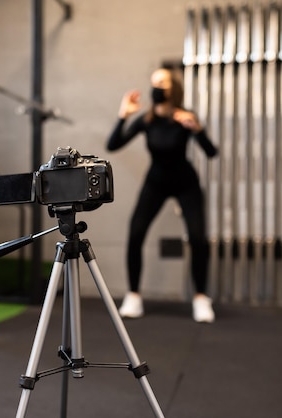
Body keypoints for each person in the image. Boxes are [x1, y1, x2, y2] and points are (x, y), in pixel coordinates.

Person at [106, 68, 218, 323]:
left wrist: (197, 129)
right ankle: (133, 295)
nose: (157, 86)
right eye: (154, 82)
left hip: (185, 183)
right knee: (135, 233)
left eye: (162, 82)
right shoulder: (146, 121)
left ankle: (201, 298)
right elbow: (113, 145)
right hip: (156, 182)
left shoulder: (184, 117)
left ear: (172, 88)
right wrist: (123, 116)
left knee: (198, 238)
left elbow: (211, 152)